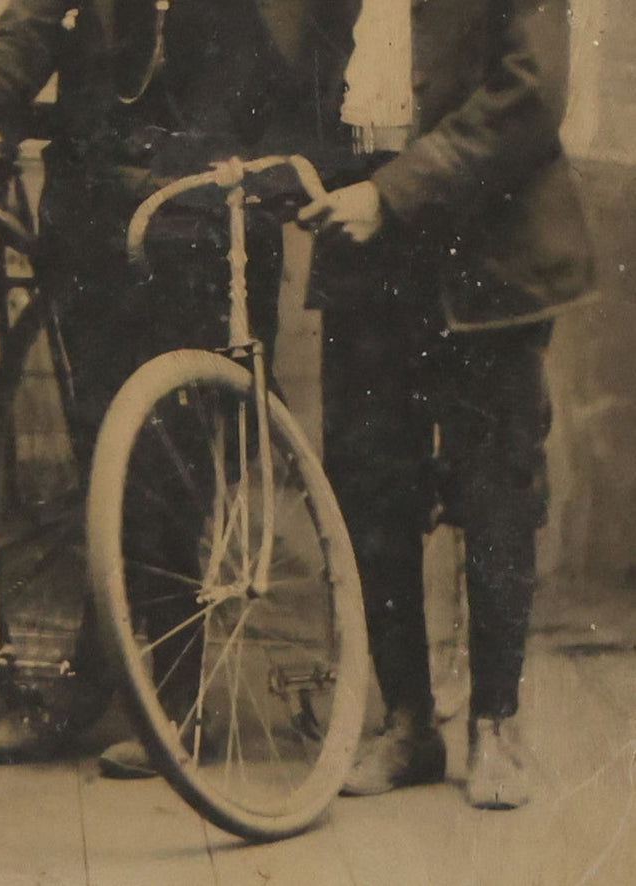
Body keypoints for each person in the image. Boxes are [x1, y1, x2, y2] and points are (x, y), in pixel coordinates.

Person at [0, 0, 360, 770]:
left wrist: (276, 169)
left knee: (176, 462)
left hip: (212, 216)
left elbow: (317, 66)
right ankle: (93, 674)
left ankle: (173, 697)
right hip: (94, 218)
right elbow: (19, 45)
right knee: (98, 449)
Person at [300, 0, 595, 809]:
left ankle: (495, 726)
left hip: (484, 251)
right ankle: (405, 724)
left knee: (497, 487)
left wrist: (390, 192)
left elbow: (531, 95)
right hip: (363, 252)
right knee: (368, 483)